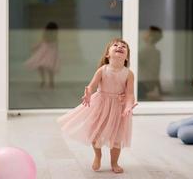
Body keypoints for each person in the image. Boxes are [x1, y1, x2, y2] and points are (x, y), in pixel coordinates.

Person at [57, 38, 137, 173]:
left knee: (117, 137)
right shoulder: (102, 70)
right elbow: (92, 85)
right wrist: (88, 92)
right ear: (108, 54)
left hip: (118, 107)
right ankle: (98, 155)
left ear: (126, 56)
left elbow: (130, 94)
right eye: (115, 45)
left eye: (123, 47)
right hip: (101, 104)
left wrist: (129, 105)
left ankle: (114, 162)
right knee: (96, 132)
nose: (119, 47)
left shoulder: (128, 74)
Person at [25, 22, 59, 88]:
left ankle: (46, 81)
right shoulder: (52, 33)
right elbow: (46, 41)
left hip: (46, 51)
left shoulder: (49, 33)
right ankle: (49, 81)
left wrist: (35, 47)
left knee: (45, 67)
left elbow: (44, 41)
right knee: (47, 67)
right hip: (48, 51)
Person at [138, 26, 163, 100]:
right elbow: (156, 73)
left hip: (143, 86)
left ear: (150, 37)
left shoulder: (146, 51)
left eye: (147, 32)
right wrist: (160, 90)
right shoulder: (155, 52)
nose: (144, 33)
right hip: (147, 86)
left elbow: (154, 73)